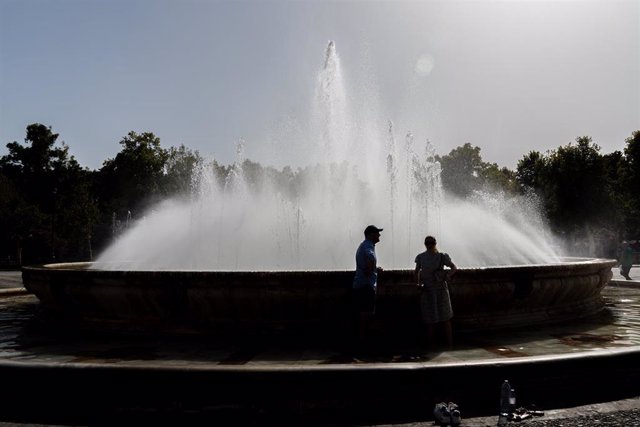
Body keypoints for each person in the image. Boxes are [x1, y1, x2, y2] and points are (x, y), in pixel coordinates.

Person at [414, 235, 457, 349]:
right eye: (427, 243)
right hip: (428, 291)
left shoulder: (442, 256)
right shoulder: (421, 257)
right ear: (425, 244)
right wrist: (418, 283)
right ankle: (432, 345)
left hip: (440, 290)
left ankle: (449, 344)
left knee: (445, 319)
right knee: (430, 320)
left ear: (435, 244)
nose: (429, 245)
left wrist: (448, 275)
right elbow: (416, 271)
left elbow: (454, 267)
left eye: (431, 243)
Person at [352, 225, 383, 348]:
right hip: (366, 285)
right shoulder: (368, 246)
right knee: (366, 314)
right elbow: (370, 257)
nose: (379, 235)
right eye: (377, 233)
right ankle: (364, 342)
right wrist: (370, 269)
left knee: (363, 314)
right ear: (370, 234)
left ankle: (363, 340)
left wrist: (375, 268)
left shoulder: (365, 245)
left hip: (362, 284)